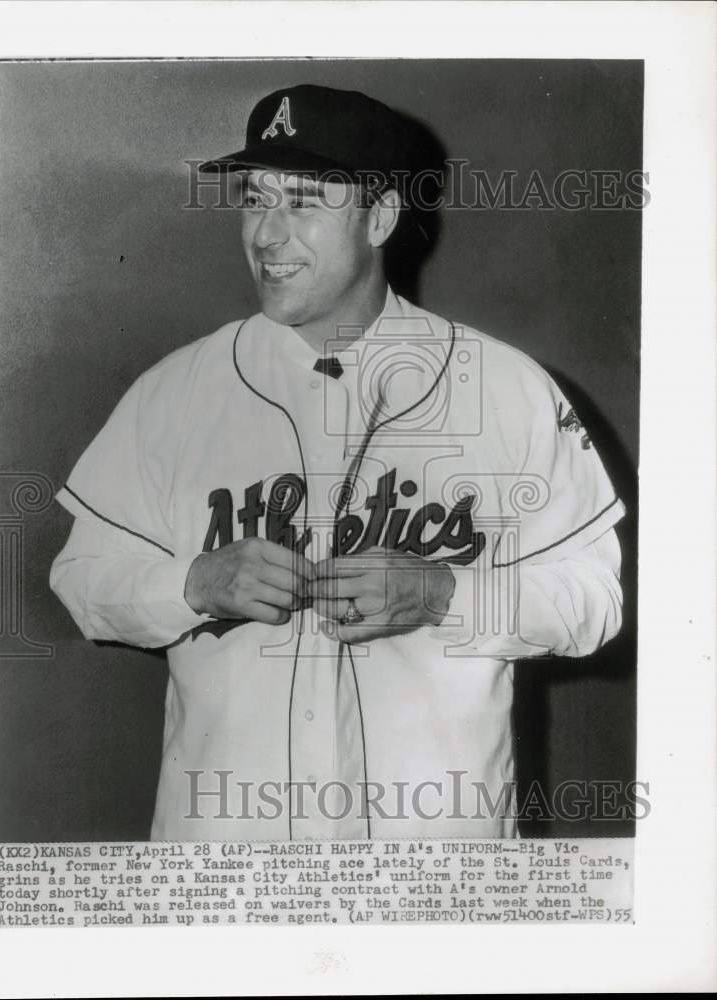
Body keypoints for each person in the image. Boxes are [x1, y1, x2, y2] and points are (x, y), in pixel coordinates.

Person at [50, 84, 625, 841]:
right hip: (229, 867)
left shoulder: (505, 387)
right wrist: (193, 583)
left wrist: (442, 594)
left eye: (304, 200)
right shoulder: (173, 393)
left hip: (435, 867)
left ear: (380, 216)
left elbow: (592, 603)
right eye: (256, 199)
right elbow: (83, 583)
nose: (267, 233)